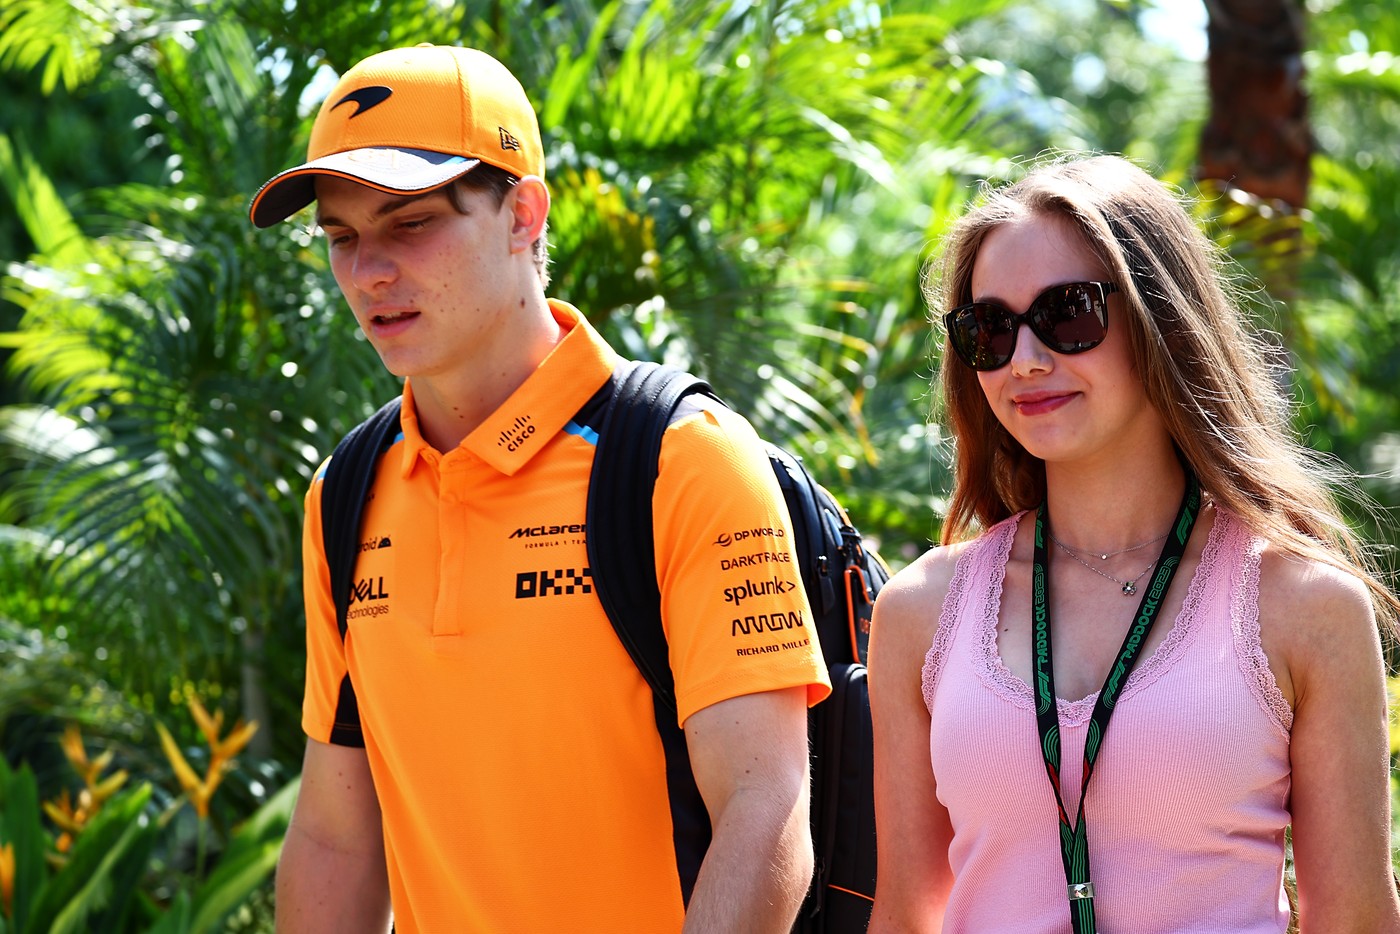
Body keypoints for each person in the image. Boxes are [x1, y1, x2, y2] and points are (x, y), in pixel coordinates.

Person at [248, 44, 831, 933]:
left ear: (523, 214)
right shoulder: (345, 493)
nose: (368, 272)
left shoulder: (682, 458)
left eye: (410, 224)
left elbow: (766, 809)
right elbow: (336, 837)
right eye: (341, 236)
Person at [867, 154, 1400, 933]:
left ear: (1163, 320)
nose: (1026, 360)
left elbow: (1354, 921)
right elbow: (907, 917)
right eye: (990, 329)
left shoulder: (1305, 607)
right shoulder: (919, 612)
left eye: (1069, 312)